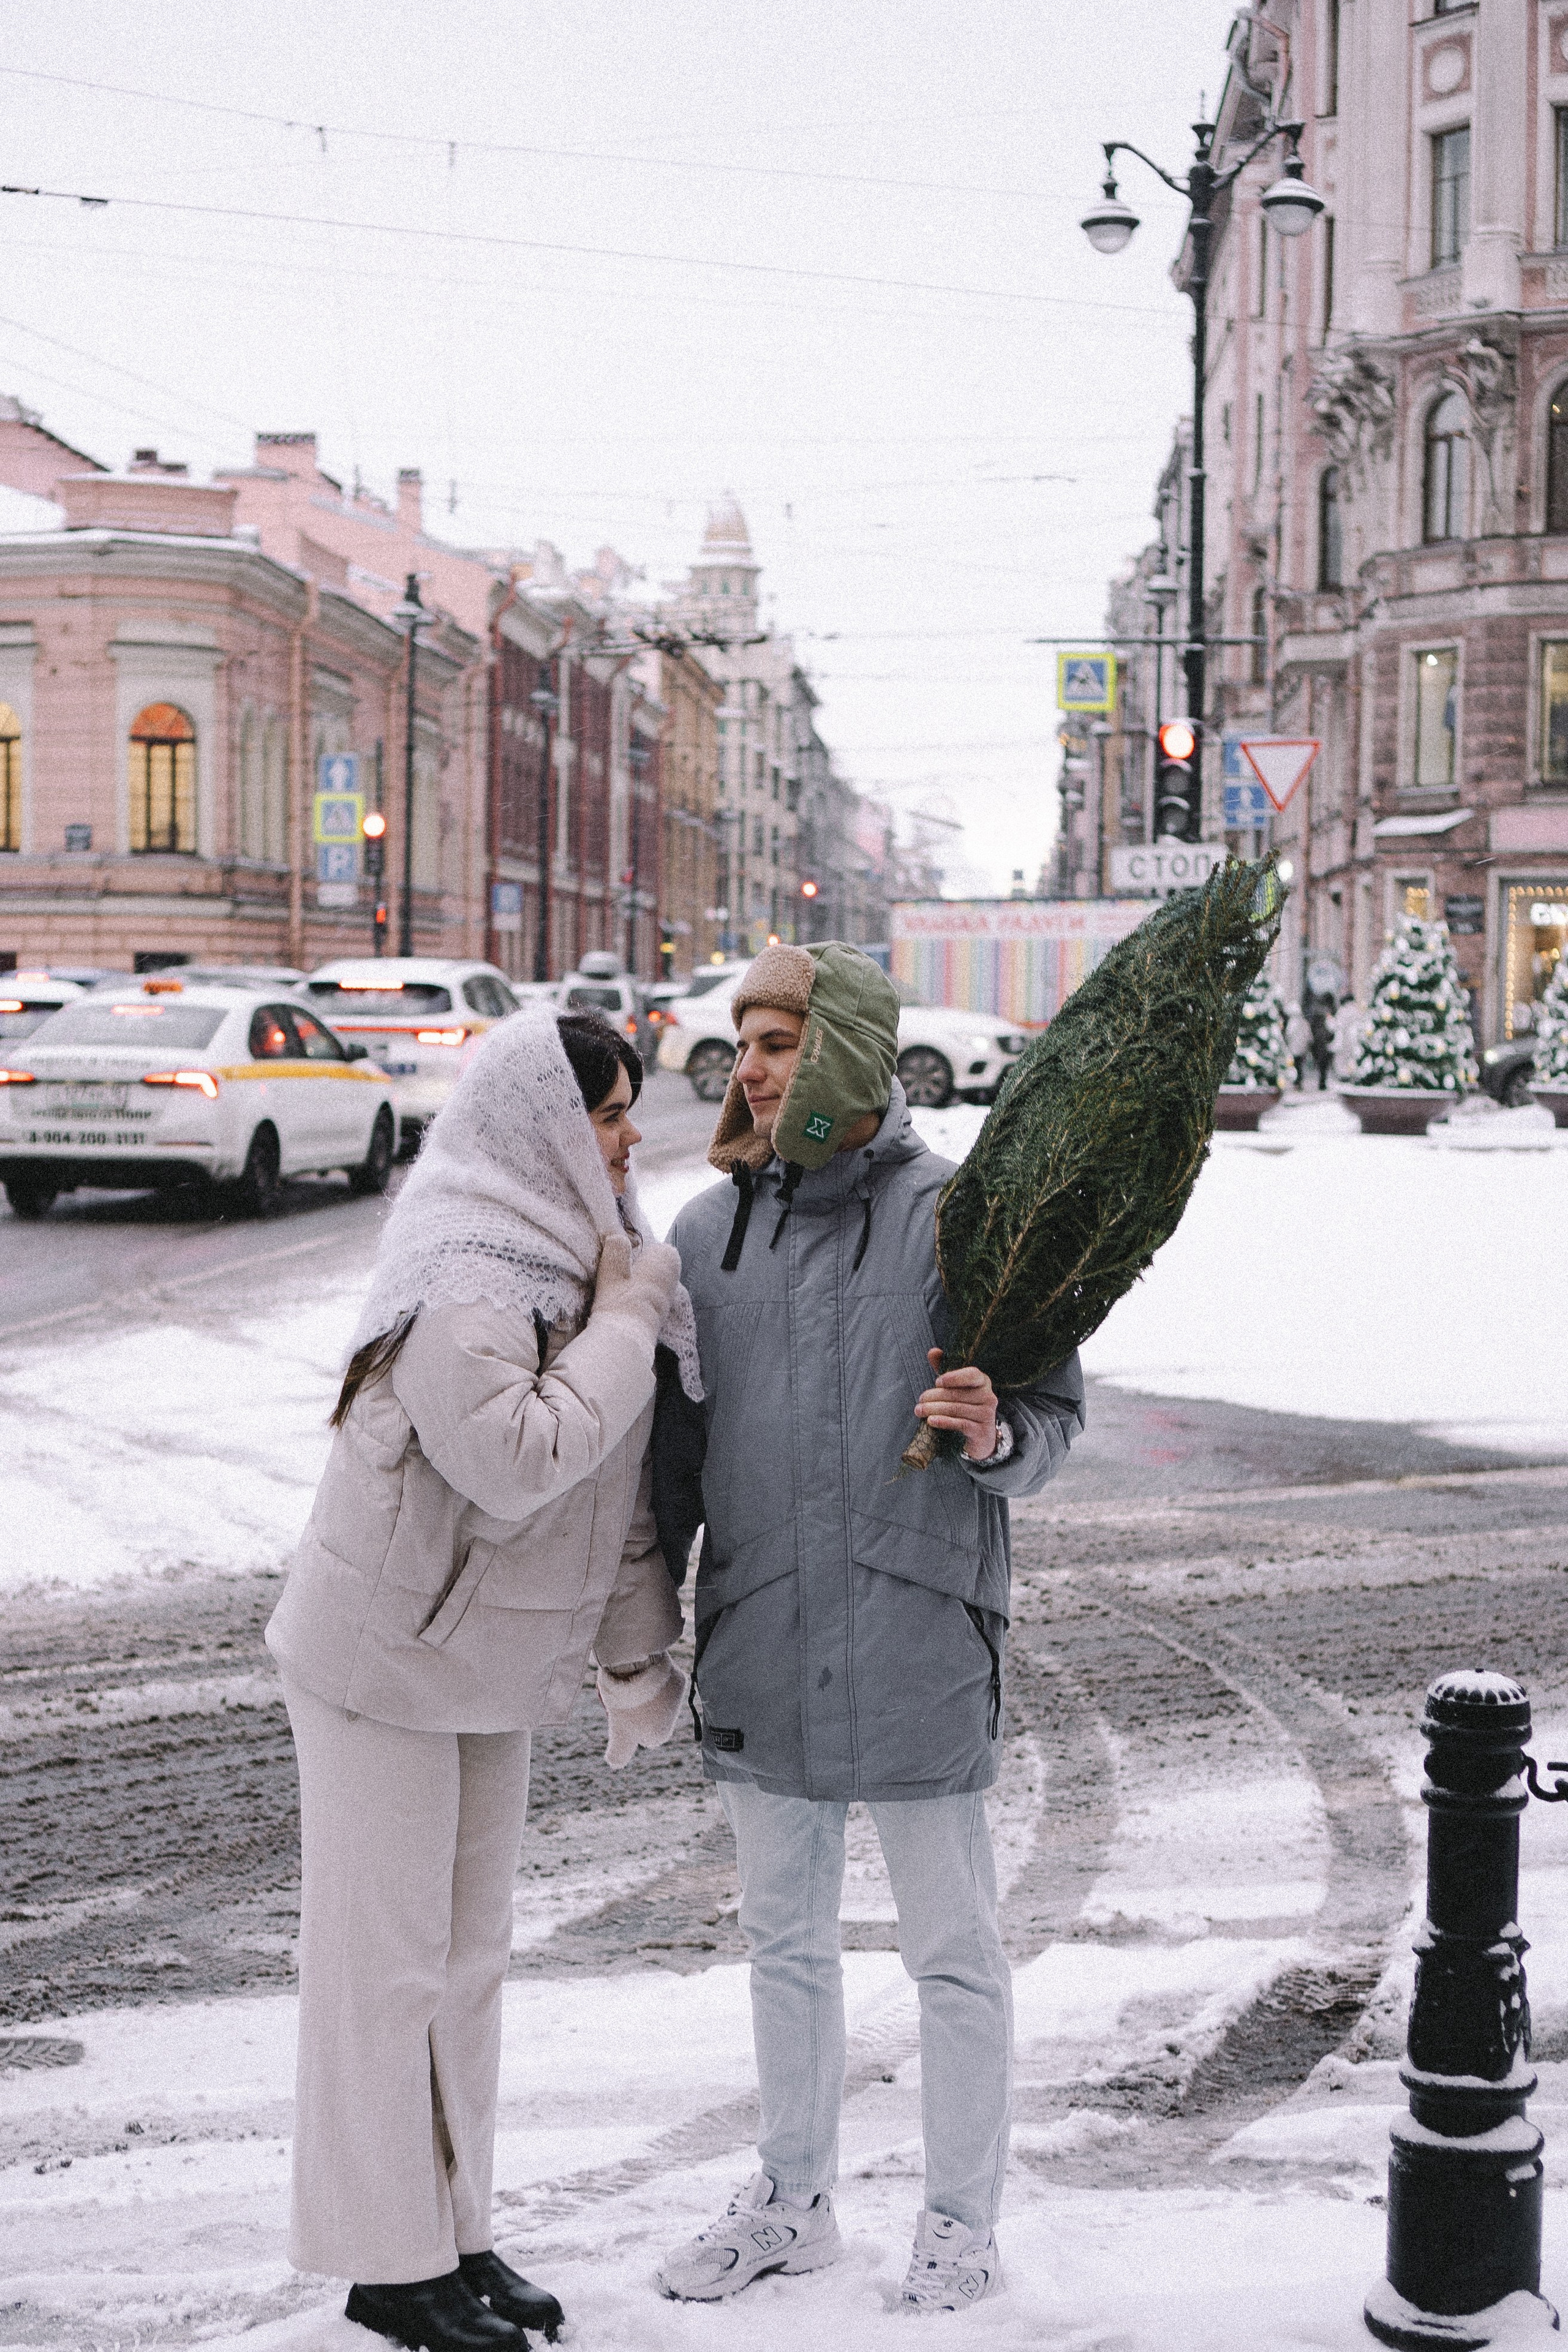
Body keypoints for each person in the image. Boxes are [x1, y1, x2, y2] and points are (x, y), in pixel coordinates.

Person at [650, 943, 1084, 2314]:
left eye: (777, 1042)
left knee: (950, 1949)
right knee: (781, 1940)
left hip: (915, 1627)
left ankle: (958, 2221)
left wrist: (998, 1430)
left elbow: (1054, 1415)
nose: (752, 1071)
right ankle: (791, 2198)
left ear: (842, 1045)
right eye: (743, 1045)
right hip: (760, 1629)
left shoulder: (963, 1217)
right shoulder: (704, 1235)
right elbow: (670, 1459)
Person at [266, 1010, 700, 2352]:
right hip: (376, 1665)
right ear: (536, 1125)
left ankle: (454, 2237)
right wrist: (626, 1326)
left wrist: (638, 1654)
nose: (630, 1137)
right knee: (380, 1970)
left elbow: (615, 1491)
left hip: (484, 1665)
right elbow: (519, 1456)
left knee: (466, 1965)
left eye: (627, 1109)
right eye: (608, 1113)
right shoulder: (464, 1264)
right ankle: (381, 2264)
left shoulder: (586, 1259)